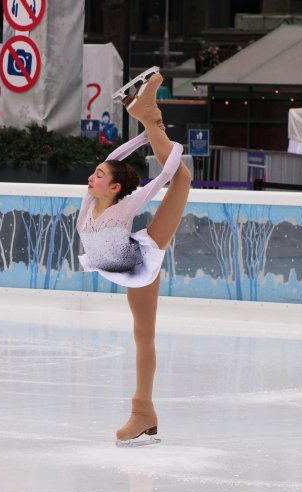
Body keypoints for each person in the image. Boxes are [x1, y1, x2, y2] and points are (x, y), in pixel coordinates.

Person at [77, 69, 192, 446]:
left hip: (142, 258)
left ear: (114, 187)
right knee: (143, 334)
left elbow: (167, 177)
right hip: (122, 269)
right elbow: (113, 157)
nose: (90, 178)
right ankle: (147, 111)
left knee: (183, 180)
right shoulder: (89, 200)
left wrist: (162, 139)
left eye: (97, 176)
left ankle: (143, 410)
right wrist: (143, 131)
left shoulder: (124, 206)